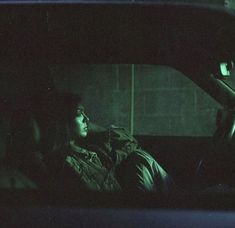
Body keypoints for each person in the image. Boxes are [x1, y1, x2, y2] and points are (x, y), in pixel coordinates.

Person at [47, 93, 173, 193]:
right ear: (64, 120)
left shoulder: (92, 148)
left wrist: (97, 129)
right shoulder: (68, 163)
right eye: (80, 113)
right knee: (140, 157)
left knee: (139, 157)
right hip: (117, 212)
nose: (87, 119)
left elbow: (131, 143)